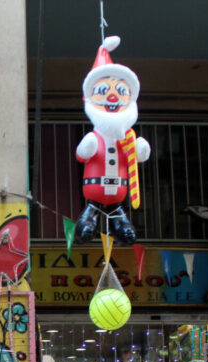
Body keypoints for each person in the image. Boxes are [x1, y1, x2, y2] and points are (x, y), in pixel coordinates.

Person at [74, 35, 150, 245]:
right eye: (104, 91)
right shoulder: (95, 137)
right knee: (86, 226)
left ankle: (121, 228)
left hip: (118, 195)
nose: (113, 97)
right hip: (95, 192)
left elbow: (136, 157)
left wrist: (140, 149)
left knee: (126, 231)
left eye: (120, 91)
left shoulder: (126, 139)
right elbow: (80, 155)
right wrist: (87, 147)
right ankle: (86, 228)